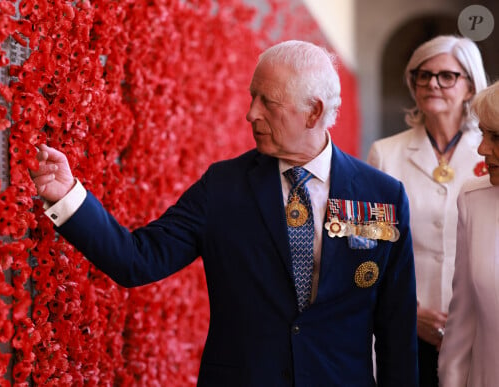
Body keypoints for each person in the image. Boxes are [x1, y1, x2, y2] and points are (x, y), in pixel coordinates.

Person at [30, 40, 418, 386]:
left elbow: (396, 331)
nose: (251, 113)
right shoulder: (223, 186)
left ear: (313, 112)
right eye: (253, 97)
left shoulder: (383, 196)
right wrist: (67, 196)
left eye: (267, 101)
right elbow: (138, 259)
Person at [366, 35, 488, 386]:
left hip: (480, 328)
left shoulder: (490, 153)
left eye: (447, 75)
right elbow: (374, 247)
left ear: (469, 87)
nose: (433, 83)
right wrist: (410, 310)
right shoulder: (384, 154)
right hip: (407, 329)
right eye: (423, 74)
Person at [438, 80, 499, 386]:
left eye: (496, 137)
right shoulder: (473, 199)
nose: (481, 148)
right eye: (483, 134)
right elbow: (462, 322)